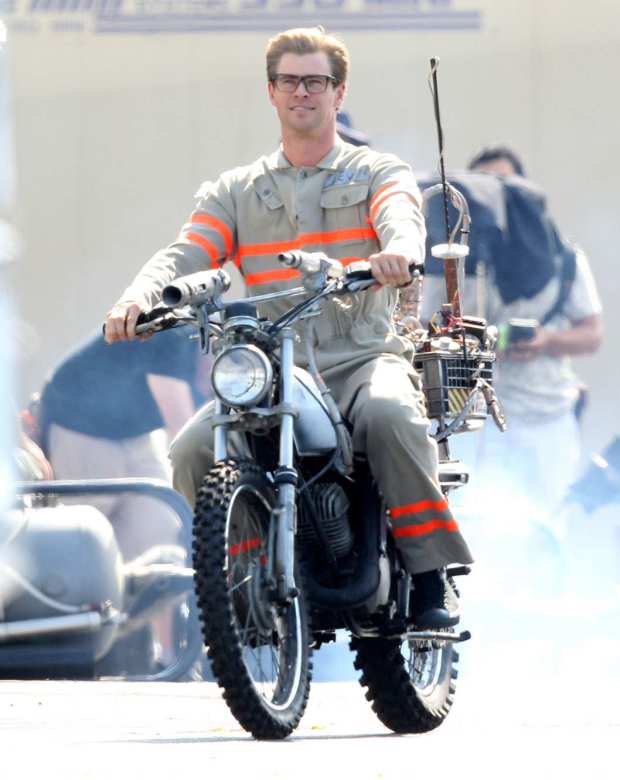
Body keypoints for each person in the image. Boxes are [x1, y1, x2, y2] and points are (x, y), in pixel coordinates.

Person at [104, 26, 473, 629]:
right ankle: (247, 574)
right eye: (290, 81)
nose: (302, 92)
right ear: (271, 92)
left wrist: (399, 253)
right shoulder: (236, 189)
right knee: (192, 450)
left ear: (338, 91)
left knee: (390, 416)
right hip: (274, 365)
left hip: (361, 357)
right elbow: (186, 253)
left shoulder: (376, 170)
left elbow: (401, 218)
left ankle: (431, 572)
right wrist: (137, 297)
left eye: (316, 81)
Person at [424, 144, 603, 528]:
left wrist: (545, 341)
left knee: (546, 526)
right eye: (485, 186)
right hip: (471, 416)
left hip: (544, 415)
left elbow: (592, 334)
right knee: (471, 523)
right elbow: (424, 328)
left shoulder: (562, 259)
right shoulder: (449, 261)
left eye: (506, 185)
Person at [36, 327, 210, 666]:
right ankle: (76, 643)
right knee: (88, 533)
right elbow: (184, 429)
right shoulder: (176, 336)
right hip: (79, 422)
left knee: (162, 526)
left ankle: (165, 654)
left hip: (137, 434)